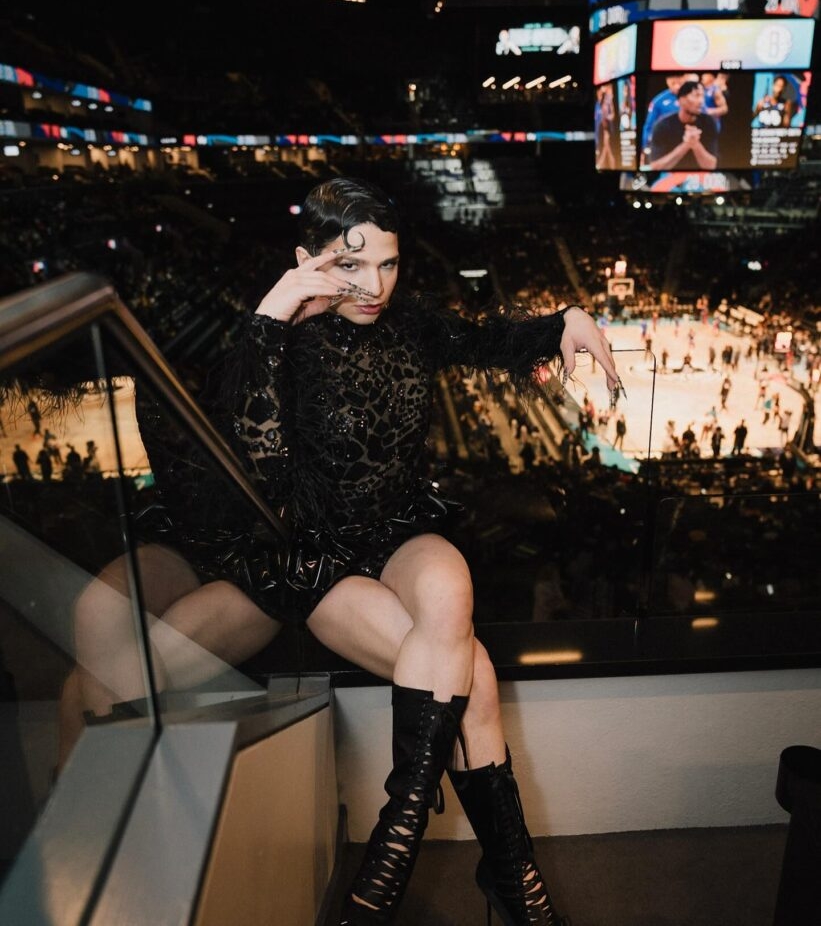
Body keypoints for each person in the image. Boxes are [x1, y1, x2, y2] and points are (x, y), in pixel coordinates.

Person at [229, 177, 620, 925]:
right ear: (305, 260)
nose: (373, 286)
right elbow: (260, 465)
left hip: (399, 532)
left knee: (449, 587)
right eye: (349, 265)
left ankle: (391, 858)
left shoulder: (408, 327)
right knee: (468, 670)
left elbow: (487, 339)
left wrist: (564, 319)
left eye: (388, 263)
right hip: (321, 555)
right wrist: (267, 325)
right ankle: (512, 880)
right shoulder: (273, 345)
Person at [645, 81, 719, 172]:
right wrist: (685, 145)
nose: (701, 101)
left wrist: (695, 145)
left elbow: (712, 166)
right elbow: (655, 167)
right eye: (696, 95)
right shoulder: (662, 126)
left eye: (703, 96)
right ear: (681, 100)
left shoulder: (709, 122)